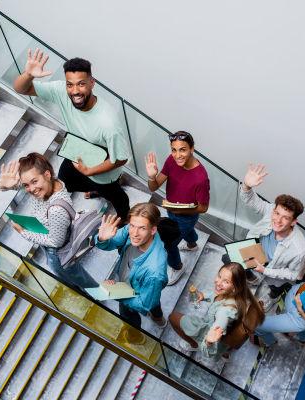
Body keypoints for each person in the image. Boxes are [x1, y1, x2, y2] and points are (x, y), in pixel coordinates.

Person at [13, 49, 131, 222]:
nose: (75, 91)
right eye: (70, 84)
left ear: (92, 83)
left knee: (114, 195)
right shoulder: (61, 91)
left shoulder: (108, 122)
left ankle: (124, 217)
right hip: (77, 151)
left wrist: (90, 171)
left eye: (81, 84)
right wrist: (29, 74)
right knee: (67, 180)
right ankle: (94, 187)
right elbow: (20, 88)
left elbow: (121, 158)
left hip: (101, 167)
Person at [0, 152, 99, 290]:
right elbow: (24, 182)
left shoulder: (55, 209)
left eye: (34, 182)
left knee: (74, 276)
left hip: (57, 254)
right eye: (26, 185)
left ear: (47, 175)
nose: (31, 189)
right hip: (48, 234)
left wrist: (23, 232)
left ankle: (94, 294)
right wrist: (4, 185)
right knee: (72, 276)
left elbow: (55, 242)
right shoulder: (51, 182)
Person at [227, 163, 305, 312]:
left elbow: (296, 274)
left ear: (293, 222)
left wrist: (265, 272)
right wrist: (246, 186)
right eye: (277, 213)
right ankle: (251, 278)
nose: (277, 220)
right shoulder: (271, 210)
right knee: (228, 259)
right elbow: (252, 201)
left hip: (272, 272)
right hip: (254, 253)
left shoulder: (299, 250)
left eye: (285, 218)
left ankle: (273, 297)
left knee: (275, 288)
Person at [94, 203, 169, 339]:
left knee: (131, 315)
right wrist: (102, 239)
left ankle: (136, 339)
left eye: (142, 228)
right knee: (153, 297)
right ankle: (159, 319)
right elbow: (112, 243)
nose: (134, 233)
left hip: (134, 291)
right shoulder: (132, 230)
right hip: (137, 284)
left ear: (153, 230)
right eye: (132, 225)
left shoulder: (154, 272)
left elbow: (145, 303)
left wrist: (119, 294)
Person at [144, 131, 210, 286]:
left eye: (183, 149)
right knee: (185, 231)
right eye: (174, 149)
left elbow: (203, 207)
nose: (177, 155)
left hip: (186, 215)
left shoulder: (200, 179)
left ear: (192, 149)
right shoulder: (172, 160)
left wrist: (177, 210)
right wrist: (151, 176)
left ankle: (177, 267)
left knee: (169, 244)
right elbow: (154, 187)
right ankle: (192, 245)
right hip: (172, 208)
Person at [168, 262, 265, 361]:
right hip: (229, 333)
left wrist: (208, 342)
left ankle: (194, 344)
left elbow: (209, 353)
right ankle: (225, 353)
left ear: (235, 287)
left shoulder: (224, 312)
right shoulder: (238, 294)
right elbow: (219, 297)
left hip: (208, 329)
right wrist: (204, 296)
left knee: (173, 317)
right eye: (219, 276)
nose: (218, 283)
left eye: (226, 281)